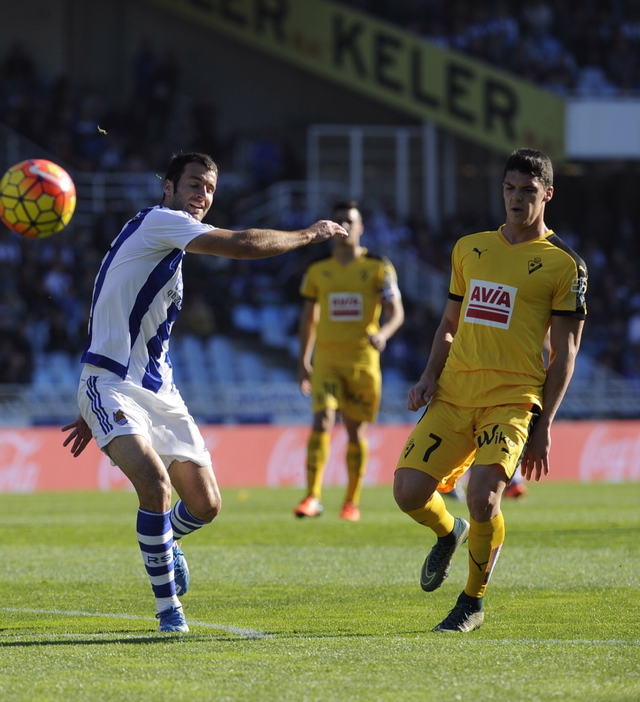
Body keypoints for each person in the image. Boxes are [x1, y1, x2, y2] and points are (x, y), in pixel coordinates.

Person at [61, 152, 347, 633]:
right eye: (194, 184)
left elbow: (114, 304)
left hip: (159, 391)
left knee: (207, 505)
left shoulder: (166, 245)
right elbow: (242, 244)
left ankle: (168, 540)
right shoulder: (160, 222)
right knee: (155, 486)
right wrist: (310, 234)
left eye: (210, 189)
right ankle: (168, 611)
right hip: (109, 383)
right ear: (168, 188)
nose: (203, 195)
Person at [393, 148, 587, 632]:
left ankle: (471, 603)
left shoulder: (565, 265)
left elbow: (565, 354)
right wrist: (428, 376)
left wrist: (544, 426)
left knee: (484, 497)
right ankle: (448, 531)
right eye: (509, 189)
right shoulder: (470, 248)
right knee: (408, 492)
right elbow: (449, 323)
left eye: (527, 190)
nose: (516, 199)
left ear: (547, 193)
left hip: (513, 398)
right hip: (454, 393)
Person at [294, 200, 404, 521]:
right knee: (323, 420)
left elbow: (397, 312)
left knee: (355, 432)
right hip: (327, 360)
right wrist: (303, 360)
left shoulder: (378, 268)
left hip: (362, 362)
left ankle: (350, 503)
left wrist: (383, 333)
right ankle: (312, 497)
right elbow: (308, 319)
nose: (344, 226)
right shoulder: (317, 272)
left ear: (360, 228)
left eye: (350, 221)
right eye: (339, 221)